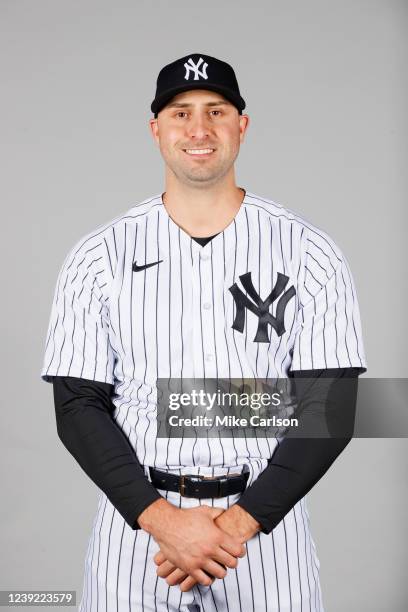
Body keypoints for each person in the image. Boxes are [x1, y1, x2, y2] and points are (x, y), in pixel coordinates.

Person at [41, 53, 367, 612]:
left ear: (242, 126)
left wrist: (237, 525)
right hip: (138, 531)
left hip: (266, 529)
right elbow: (77, 405)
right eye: (180, 113)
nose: (199, 129)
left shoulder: (311, 252)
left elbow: (331, 407)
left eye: (216, 111)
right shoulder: (99, 257)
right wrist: (163, 520)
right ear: (156, 130)